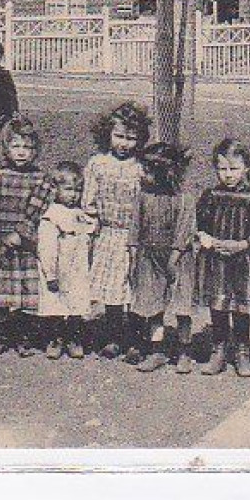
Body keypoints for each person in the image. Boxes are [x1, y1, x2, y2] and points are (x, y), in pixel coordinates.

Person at [193, 139, 250, 378]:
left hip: (242, 260)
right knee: (218, 306)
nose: (228, 175)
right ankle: (218, 349)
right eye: (222, 169)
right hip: (216, 259)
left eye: (234, 169)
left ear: (246, 168)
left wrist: (241, 244)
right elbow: (200, 222)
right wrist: (206, 237)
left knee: (240, 307)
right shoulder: (211, 195)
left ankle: (242, 351)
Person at [84, 101, 151, 357]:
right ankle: (113, 337)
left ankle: (135, 339)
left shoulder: (141, 168)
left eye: (131, 138)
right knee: (112, 291)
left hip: (134, 237)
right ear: (108, 135)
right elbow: (89, 201)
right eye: (119, 136)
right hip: (108, 234)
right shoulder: (98, 164)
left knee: (132, 289)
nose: (124, 144)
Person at [0, 116, 54, 355]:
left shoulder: (40, 179)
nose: (22, 152)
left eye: (27, 147)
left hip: (26, 242)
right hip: (1, 239)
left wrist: (19, 233)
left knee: (27, 288)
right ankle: (1, 334)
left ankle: (25, 336)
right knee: (2, 289)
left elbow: (36, 210)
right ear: (6, 148)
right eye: (16, 146)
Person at [128, 142, 197, 373]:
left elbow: (184, 231)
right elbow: (135, 227)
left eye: (147, 170)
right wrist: (133, 253)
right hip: (149, 257)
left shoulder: (183, 197)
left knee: (182, 306)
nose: (141, 173)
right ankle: (157, 350)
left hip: (178, 260)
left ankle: (184, 351)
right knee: (153, 306)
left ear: (163, 173)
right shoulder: (143, 196)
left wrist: (173, 259)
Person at [36, 161, 97, 360]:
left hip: (77, 268)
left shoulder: (79, 214)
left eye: (77, 190)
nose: (73, 195)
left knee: (76, 304)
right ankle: (55, 339)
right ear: (55, 189)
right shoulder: (52, 215)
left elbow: (90, 231)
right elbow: (46, 248)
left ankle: (74, 338)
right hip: (58, 267)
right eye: (68, 189)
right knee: (55, 305)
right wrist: (50, 273)